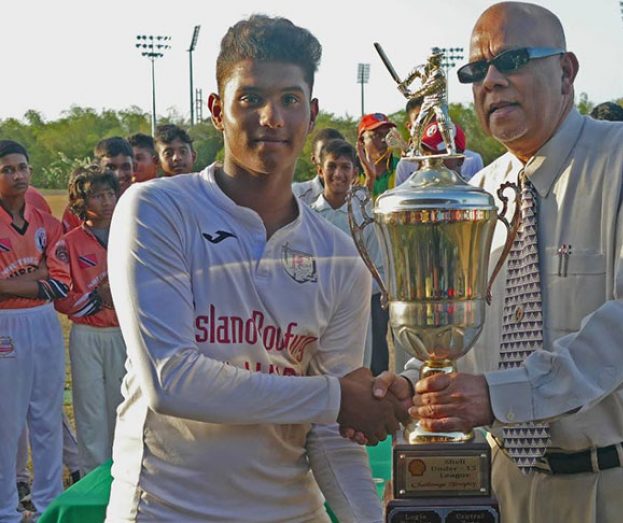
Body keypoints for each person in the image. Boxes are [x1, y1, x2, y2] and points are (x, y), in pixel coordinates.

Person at [365, 3, 623, 521]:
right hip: (500, 481)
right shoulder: (477, 194)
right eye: (474, 71)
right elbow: (463, 348)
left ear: (567, 70)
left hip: (618, 481)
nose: (490, 80)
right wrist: (420, 389)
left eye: (511, 60)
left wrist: (503, 395)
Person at [105, 15, 405, 522]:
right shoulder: (157, 209)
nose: (272, 117)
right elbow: (170, 379)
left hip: (291, 511)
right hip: (168, 510)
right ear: (218, 109)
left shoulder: (338, 255)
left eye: (290, 99)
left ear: (310, 114)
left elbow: (332, 432)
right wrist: (336, 396)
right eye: (251, 98)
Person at [0, 140, 70, 522]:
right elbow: (45, 276)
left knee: (46, 415)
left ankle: (48, 504)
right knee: (6, 421)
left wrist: (8, 283)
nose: (18, 175)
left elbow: (60, 282)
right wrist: (36, 275)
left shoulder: (46, 222)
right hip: (6, 324)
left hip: (43, 320)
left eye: (22, 167)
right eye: (8, 169)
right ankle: (7, 511)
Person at [54, 165, 126, 475]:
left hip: (124, 333)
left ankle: (124, 471)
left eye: (111, 193)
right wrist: (99, 298)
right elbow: (61, 296)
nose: (107, 201)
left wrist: (120, 295)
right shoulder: (69, 243)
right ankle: (92, 475)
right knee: (90, 409)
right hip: (87, 333)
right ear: (80, 202)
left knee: (123, 404)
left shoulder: (132, 233)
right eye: (97, 195)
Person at [307, 139, 388, 373]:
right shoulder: (307, 217)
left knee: (357, 375)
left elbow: (380, 271)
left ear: (355, 172)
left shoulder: (366, 218)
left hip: (357, 316)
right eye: (332, 166)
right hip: (315, 313)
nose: (338, 174)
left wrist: (351, 290)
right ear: (320, 170)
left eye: (345, 167)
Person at [62, 137, 135, 233]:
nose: (118, 174)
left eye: (125, 167)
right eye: (111, 168)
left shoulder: (143, 202)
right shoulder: (81, 207)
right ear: (97, 168)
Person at [292, 127, 345, 205]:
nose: (331, 159)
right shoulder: (297, 194)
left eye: (337, 152)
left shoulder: (356, 197)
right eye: (323, 154)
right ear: (313, 159)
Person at [356, 113, 401, 197]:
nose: (384, 140)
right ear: (361, 141)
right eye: (376, 135)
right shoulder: (351, 172)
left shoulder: (400, 167)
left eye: (387, 135)